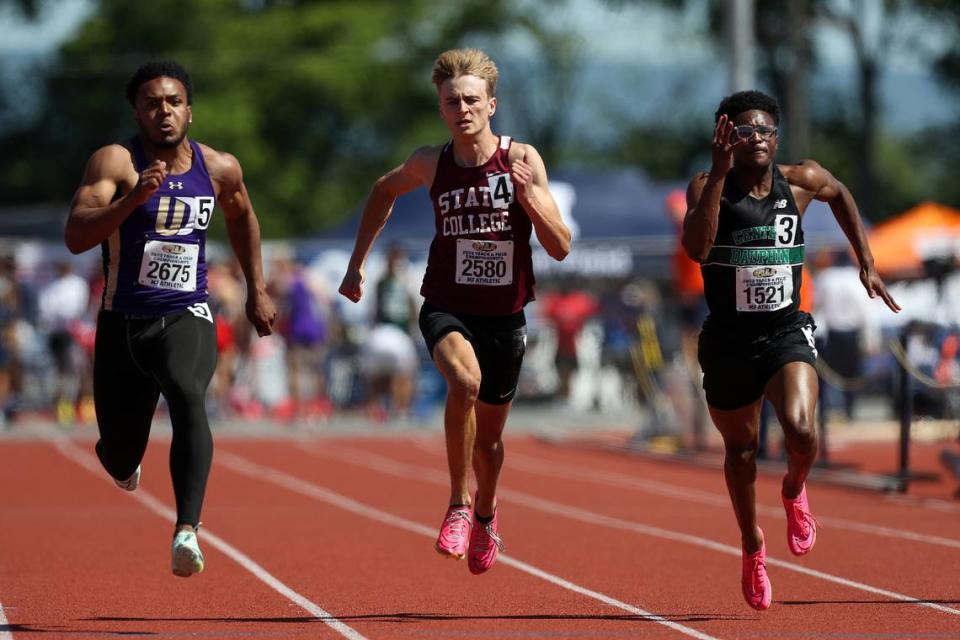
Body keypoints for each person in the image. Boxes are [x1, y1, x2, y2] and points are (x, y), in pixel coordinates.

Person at [339, 48, 570, 574]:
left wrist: (529, 197)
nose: (462, 108)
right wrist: (357, 265)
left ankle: (487, 512)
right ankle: (458, 505)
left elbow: (560, 246)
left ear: (492, 104)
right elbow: (381, 191)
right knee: (462, 383)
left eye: (471, 100)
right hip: (446, 306)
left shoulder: (522, 158)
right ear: (441, 109)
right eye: (451, 102)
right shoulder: (429, 162)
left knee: (489, 443)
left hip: (506, 316)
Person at [682, 90, 900, 610]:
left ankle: (794, 488)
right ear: (725, 137)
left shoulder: (800, 180)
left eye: (763, 131)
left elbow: (842, 193)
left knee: (802, 430)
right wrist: (716, 173)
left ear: (776, 137)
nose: (754, 138)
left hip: (784, 331)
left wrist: (865, 259)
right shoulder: (707, 184)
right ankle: (752, 543)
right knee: (741, 451)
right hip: (728, 341)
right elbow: (697, 248)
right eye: (742, 131)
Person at [65, 60, 276, 577]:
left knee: (187, 390)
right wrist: (135, 198)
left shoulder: (219, 166)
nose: (164, 112)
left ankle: (187, 529)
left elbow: (243, 215)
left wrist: (257, 289)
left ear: (189, 110)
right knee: (118, 454)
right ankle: (121, 456)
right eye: (152, 103)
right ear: (136, 111)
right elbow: (76, 235)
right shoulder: (115, 162)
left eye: (173, 102)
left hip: (186, 310)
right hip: (121, 322)